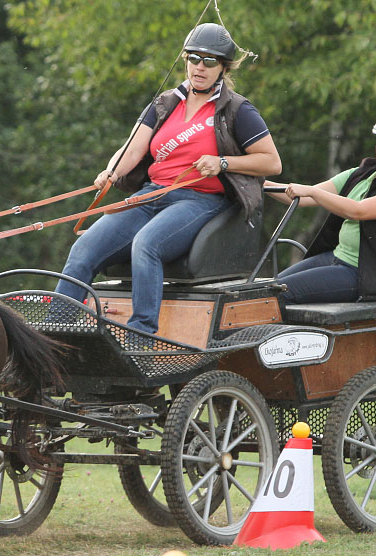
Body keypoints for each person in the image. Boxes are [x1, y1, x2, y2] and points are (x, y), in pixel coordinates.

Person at [52, 23, 281, 335]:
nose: (200, 66)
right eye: (194, 58)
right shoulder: (166, 103)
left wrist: (223, 162)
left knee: (147, 245)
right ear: (185, 60)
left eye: (210, 61)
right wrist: (111, 173)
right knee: (84, 248)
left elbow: (271, 162)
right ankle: (55, 333)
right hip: (152, 195)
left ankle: (140, 334)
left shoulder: (238, 109)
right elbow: (131, 150)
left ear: (223, 68)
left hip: (201, 200)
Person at [266, 107, 376, 304]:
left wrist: (312, 191)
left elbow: (357, 211)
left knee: (277, 296)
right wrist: (255, 183)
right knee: (266, 290)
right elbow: (300, 198)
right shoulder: (360, 174)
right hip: (336, 258)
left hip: (368, 276)